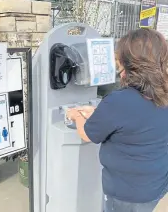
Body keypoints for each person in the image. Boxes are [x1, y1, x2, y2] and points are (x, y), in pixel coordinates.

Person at [66, 29, 168, 212]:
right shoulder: (162, 93)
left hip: (126, 193)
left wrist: (75, 115)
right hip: (156, 185)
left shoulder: (119, 101)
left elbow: (87, 134)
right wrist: (99, 112)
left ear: (128, 63)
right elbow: (137, 120)